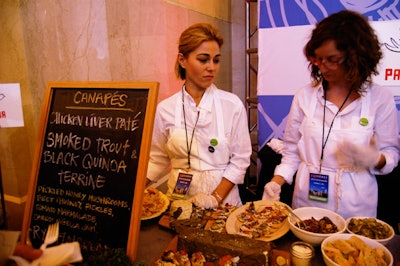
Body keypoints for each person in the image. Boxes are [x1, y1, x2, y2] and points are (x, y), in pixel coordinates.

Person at [262, 10, 399, 219]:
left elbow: (391, 154)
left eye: (332, 59)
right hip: (307, 204)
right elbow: (291, 151)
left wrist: (375, 159)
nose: (323, 67)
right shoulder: (305, 96)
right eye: (318, 59)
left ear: (356, 57)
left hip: (355, 209)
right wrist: (276, 181)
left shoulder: (380, 99)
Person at [145, 23, 252, 209]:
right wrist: (129, 192)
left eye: (216, 60)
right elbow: (157, 158)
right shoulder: (165, 109)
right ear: (182, 60)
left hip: (224, 205)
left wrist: (215, 198)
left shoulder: (232, 105)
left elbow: (240, 160)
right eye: (203, 60)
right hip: (178, 203)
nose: (212, 67)